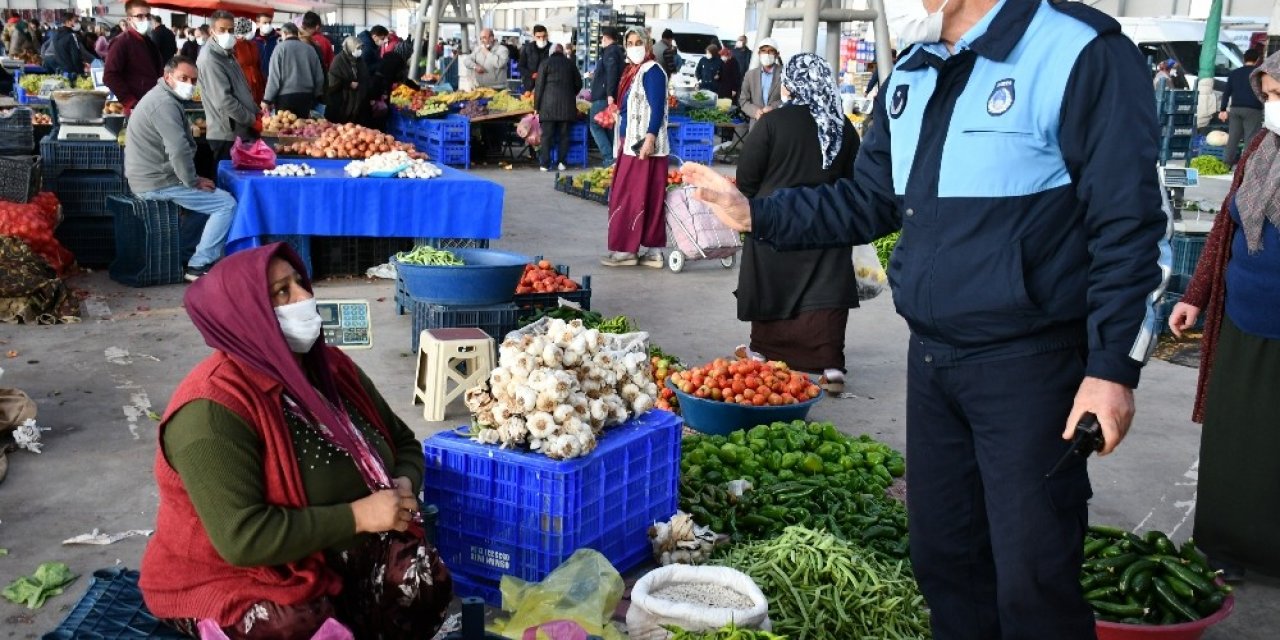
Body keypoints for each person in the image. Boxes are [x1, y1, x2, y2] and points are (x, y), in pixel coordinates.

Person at [680, 1, 1169, 637]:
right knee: (946, 562)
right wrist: (758, 214)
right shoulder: (912, 69)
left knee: (1032, 581)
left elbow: (1131, 229)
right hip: (935, 363)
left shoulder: (1081, 51)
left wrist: (1112, 369)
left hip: (1031, 368)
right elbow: (870, 199)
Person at [139, 243, 453, 638]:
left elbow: (403, 442)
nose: (306, 298)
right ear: (243, 316)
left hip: (330, 549)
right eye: (282, 293)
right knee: (299, 624)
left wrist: (404, 481)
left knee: (421, 578)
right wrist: (359, 515)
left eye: (300, 284)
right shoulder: (211, 411)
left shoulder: (332, 369)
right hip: (230, 572)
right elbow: (243, 538)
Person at [1170, 51, 1280, 583]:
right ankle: (1224, 547)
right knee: (1234, 439)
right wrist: (1196, 294)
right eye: (1269, 93)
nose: (1271, 103)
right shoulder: (1260, 145)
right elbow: (1224, 228)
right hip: (1241, 318)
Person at [734, 53, 859, 393]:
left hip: (776, 223)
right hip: (827, 224)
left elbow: (747, 176)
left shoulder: (773, 123)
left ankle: (762, 353)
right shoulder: (842, 126)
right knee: (826, 290)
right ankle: (830, 367)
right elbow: (855, 181)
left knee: (772, 284)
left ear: (789, 85)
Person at [124, 56, 238, 282]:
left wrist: (192, 180)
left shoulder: (164, 98)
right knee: (226, 204)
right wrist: (192, 181)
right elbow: (178, 149)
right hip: (157, 181)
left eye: (193, 80)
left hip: (155, 176)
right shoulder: (164, 104)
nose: (189, 84)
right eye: (183, 78)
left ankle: (187, 253)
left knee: (206, 199)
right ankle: (199, 264)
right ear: (168, 77)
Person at [602, 27, 669, 269]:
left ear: (648, 45)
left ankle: (626, 250)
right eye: (629, 42)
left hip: (642, 146)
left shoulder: (652, 72)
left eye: (638, 42)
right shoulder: (634, 71)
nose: (634, 46)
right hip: (632, 144)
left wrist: (650, 138)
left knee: (628, 196)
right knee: (648, 197)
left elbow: (657, 109)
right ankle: (653, 251)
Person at [198, 12, 259, 163]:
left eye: (231, 30)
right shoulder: (210, 59)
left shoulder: (227, 53)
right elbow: (224, 100)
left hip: (239, 130)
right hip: (226, 134)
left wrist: (256, 110)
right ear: (212, 31)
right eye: (222, 30)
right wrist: (251, 120)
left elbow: (241, 88)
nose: (228, 34)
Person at [104, 0, 164, 112]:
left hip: (153, 103)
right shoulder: (121, 42)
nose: (145, 20)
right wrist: (130, 102)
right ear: (130, 19)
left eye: (148, 16)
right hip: (136, 108)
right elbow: (110, 75)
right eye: (139, 16)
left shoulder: (149, 42)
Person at [535, 43, 583, 172]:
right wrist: (570, 93)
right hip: (567, 106)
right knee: (564, 135)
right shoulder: (570, 64)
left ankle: (545, 164)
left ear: (551, 52)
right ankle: (562, 163)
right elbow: (579, 83)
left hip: (548, 106)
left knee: (547, 136)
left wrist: (536, 106)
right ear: (562, 52)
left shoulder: (545, 63)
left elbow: (539, 87)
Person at [263, 22, 324, 118]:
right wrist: (317, 95)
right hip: (306, 97)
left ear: (284, 33)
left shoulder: (279, 49)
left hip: (285, 98)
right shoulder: (309, 49)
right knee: (303, 129)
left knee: (285, 129)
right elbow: (319, 76)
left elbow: (274, 78)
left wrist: (267, 100)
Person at [1218, 48, 1265, 166]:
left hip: (1235, 109)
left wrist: (1223, 109)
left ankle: (1226, 163)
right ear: (1257, 60)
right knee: (1250, 138)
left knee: (1233, 137)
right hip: (1253, 110)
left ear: (1244, 59)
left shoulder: (1234, 73)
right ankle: (1246, 165)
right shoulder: (1259, 73)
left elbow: (1226, 93)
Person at [589, 27, 624, 168]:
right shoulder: (615, 52)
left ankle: (609, 157)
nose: (601, 41)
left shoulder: (610, 52)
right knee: (608, 125)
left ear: (606, 38)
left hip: (603, 96)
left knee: (595, 125)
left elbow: (612, 73)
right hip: (607, 94)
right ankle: (613, 158)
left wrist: (610, 94)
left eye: (602, 38)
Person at [738, 38, 782, 129]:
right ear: (759, 53)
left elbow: (791, 99)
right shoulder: (750, 75)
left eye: (770, 51)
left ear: (777, 54)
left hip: (778, 124)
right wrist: (755, 111)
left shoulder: (785, 74)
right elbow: (743, 100)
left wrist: (773, 107)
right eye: (764, 51)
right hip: (756, 124)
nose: (767, 54)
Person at [326, 36, 370, 125]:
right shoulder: (338, 60)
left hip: (358, 100)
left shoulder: (360, 61)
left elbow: (365, 77)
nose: (360, 50)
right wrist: (348, 84)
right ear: (350, 47)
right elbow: (333, 80)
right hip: (342, 100)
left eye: (361, 48)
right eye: (357, 48)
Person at [231, 18, 266, 104]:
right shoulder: (234, 45)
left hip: (256, 80)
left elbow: (258, 65)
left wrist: (263, 85)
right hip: (242, 81)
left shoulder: (253, 44)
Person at [518, 24, 551, 93]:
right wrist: (531, 74)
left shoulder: (552, 48)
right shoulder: (527, 48)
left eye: (544, 36)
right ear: (534, 37)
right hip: (529, 84)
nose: (541, 39)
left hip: (547, 84)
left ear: (547, 36)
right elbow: (521, 66)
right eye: (538, 37)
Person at [253, 13, 278, 78]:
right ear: (258, 24)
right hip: (257, 77)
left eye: (269, 23)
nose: (268, 25)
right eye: (264, 23)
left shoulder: (278, 39)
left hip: (273, 76)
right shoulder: (252, 40)